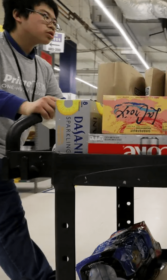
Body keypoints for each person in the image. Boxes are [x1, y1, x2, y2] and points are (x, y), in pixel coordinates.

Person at [0, 0, 63, 279]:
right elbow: (30, 107)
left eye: (55, 20)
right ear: (18, 14)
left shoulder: (44, 68)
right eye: (45, 16)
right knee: (9, 226)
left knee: (9, 226)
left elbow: (61, 109)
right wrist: (24, 106)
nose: (52, 24)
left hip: (5, 157)